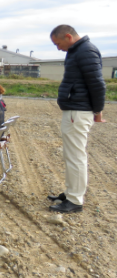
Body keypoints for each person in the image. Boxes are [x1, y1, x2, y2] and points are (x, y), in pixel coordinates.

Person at [47, 25, 106, 213]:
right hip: (75, 109)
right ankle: (71, 192)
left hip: (78, 111)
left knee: (75, 156)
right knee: (70, 155)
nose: (58, 48)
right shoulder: (78, 51)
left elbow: (97, 83)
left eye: (58, 44)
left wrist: (98, 110)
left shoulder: (85, 51)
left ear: (68, 36)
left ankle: (75, 200)